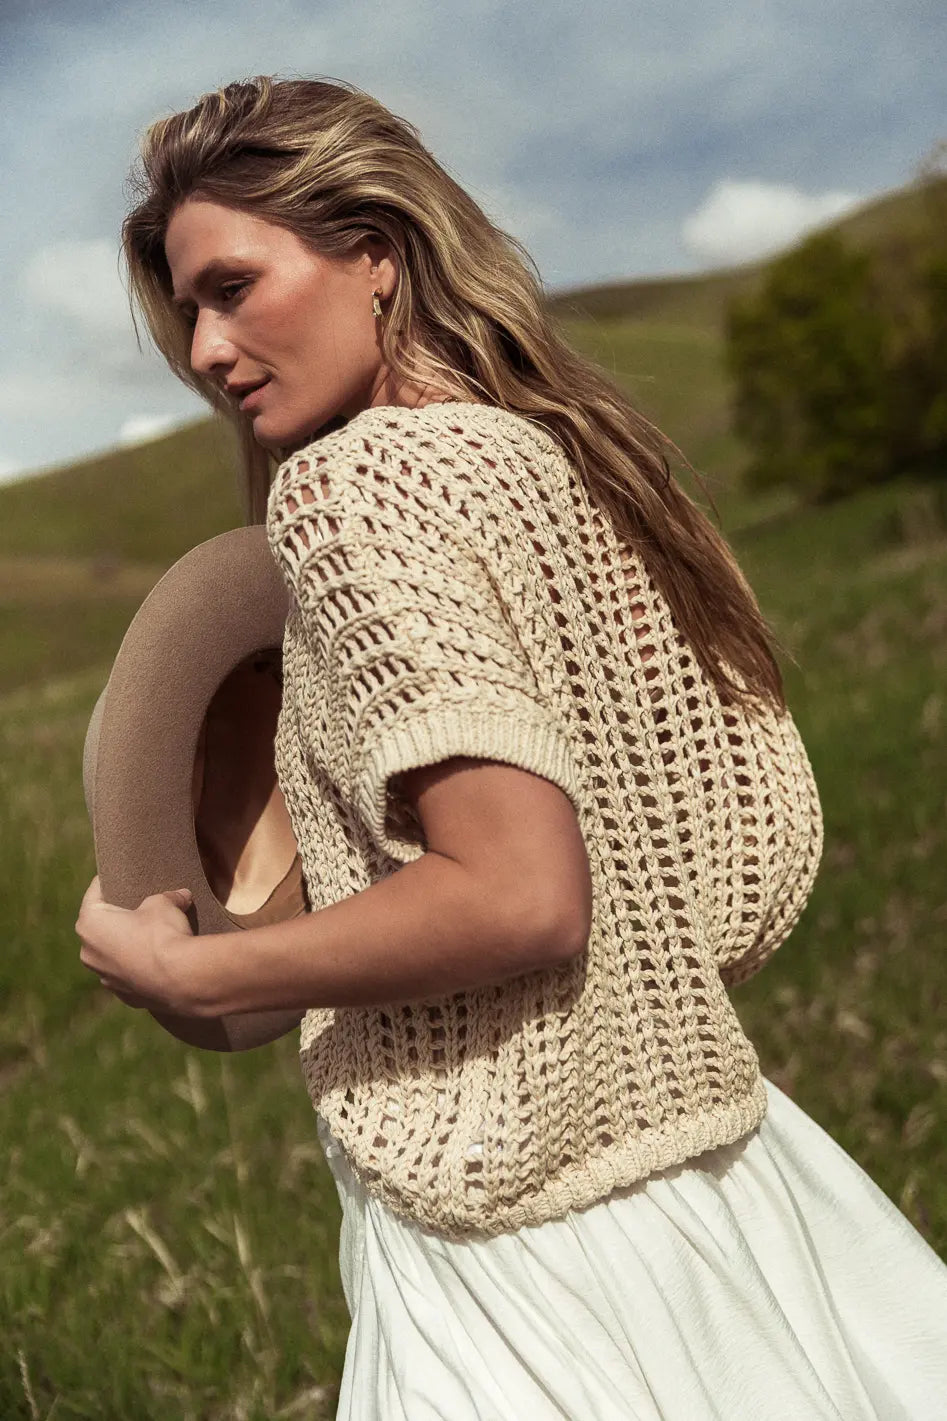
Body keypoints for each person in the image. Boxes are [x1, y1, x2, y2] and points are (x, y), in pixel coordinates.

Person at [75, 74, 947, 1419]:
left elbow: (519, 894)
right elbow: (706, 845)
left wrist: (193, 970)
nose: (206, 348)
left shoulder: (353, 488)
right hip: (711, 1179)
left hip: (514, 1241)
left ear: (375, 253)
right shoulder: (569, 463)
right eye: (189, 311)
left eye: (233, 289)